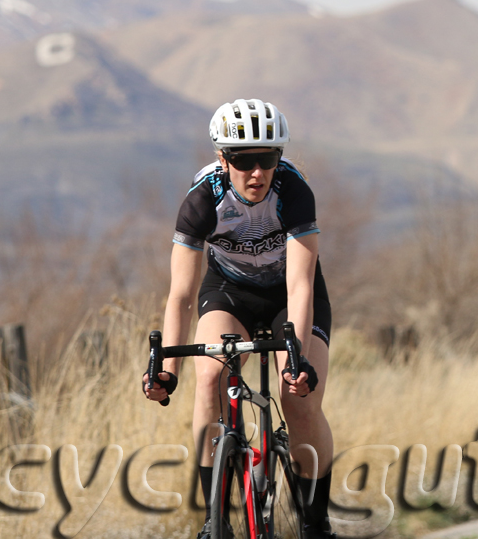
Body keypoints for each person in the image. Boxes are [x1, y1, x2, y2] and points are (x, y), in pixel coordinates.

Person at [142, 99, 334, 539]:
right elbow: (182, 295)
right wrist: (167, 371)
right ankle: (214, 518)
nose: (257, 173)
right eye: (243, 161)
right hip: (231, 292)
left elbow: (301, 286)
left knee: (298, 399)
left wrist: (296, 359)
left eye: (267, 160)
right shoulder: (202, 198)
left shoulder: (294, 192)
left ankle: (315, 522)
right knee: (209, 378)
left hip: (291, 293)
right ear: (221, 158)